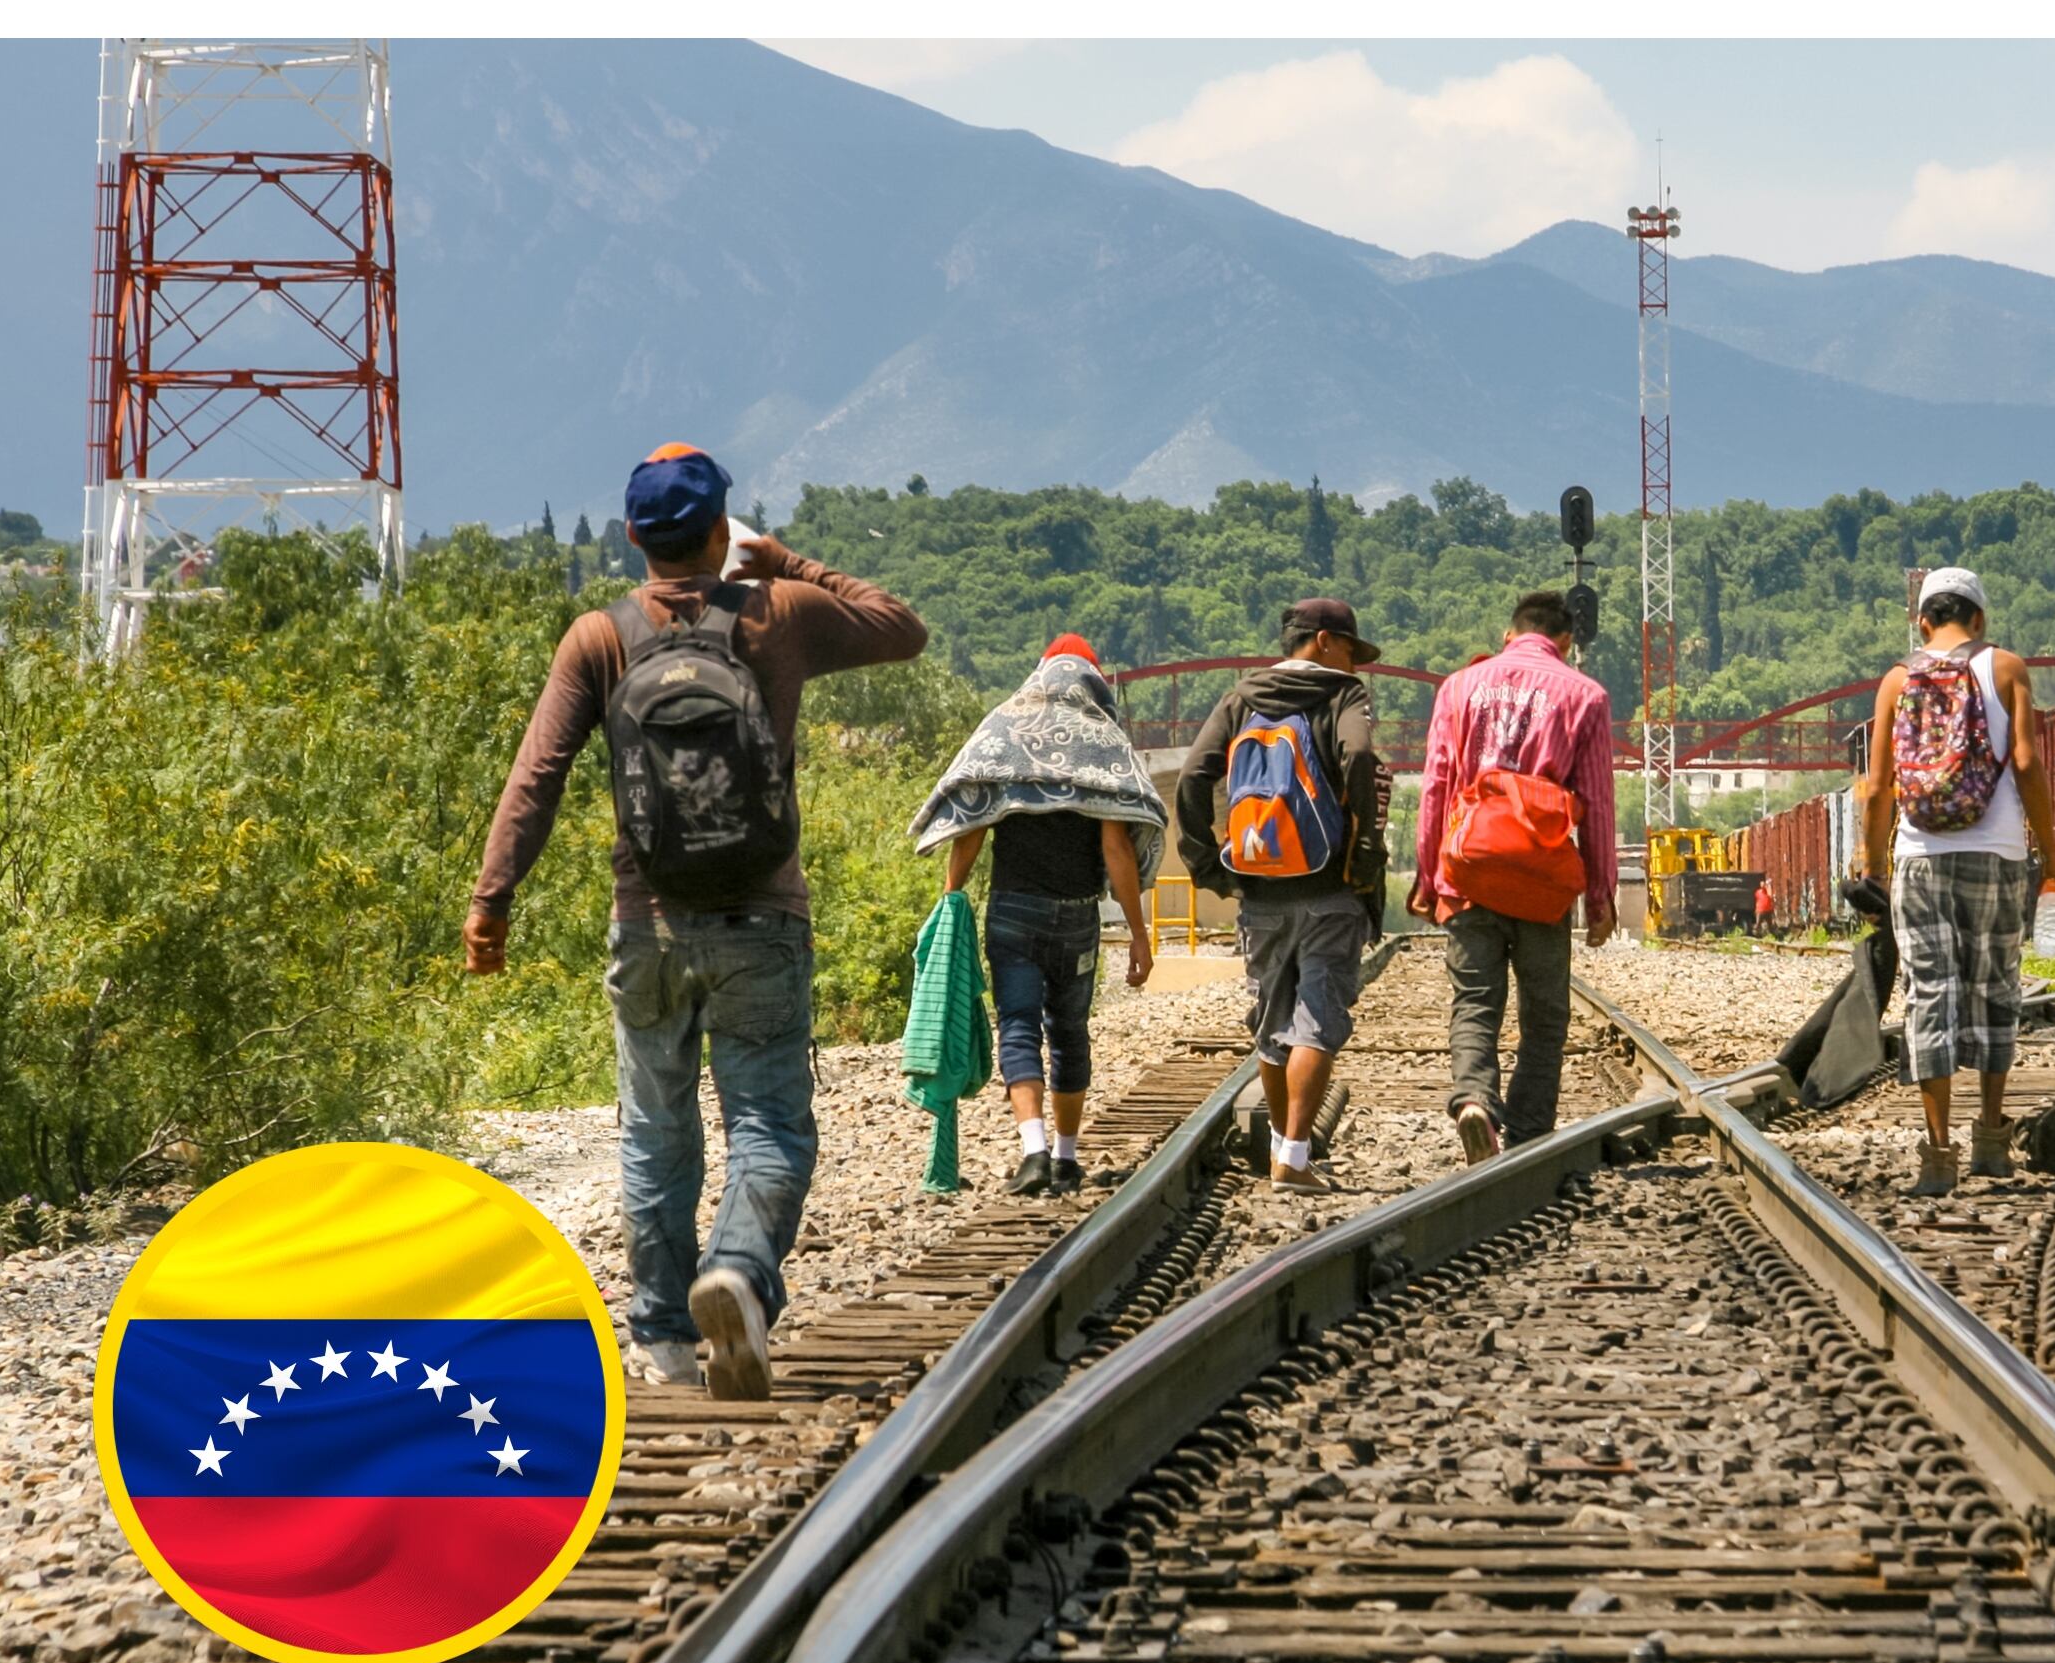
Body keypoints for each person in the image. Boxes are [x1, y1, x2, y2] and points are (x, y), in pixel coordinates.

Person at [466, 443, 925, 1397]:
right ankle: (741, 1273)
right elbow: (902, 627)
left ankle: (668, 1341)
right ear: (723, 531)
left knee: (656, 1132)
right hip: (762, 916)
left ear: (634, 537)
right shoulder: (778, 614)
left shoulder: (598, 637)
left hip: (649, 923)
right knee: (767, 1124)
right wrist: (789, 563)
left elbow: (536, 777)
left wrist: (491, 903)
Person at [914, 635, 1164, 1195]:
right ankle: (1068, 1158)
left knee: (1020, 1025)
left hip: (1012, 913)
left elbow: (974, 820)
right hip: (1076, 918)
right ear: (1091, 680)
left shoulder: (1006, 730)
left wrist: (951, 898)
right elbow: (1118, 850)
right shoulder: (1105, 740)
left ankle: (1033, 1151)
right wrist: (1140, 936)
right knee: (1070, 1032)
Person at [1856, 565, 2055, 1197]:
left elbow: (1877, 788)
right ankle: (1991, 1144)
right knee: (1996, 988)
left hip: (1919, 858)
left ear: (1922, 622)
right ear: (1979, 620)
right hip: (1998, 853)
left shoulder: (1897, 680)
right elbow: (2028, 764)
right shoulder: (2007, 669)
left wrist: (1873, 864)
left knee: (1932, 995)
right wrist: (2051, 855)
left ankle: (1938, 1154)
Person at [1173, 597, 1388, 1193]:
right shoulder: (1343, 695)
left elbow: (1194, 775)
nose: (1355, 664)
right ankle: (1292, 1156)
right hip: (1329, 886)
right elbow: (1361, 755)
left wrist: (1205, 863)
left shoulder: (1241, 697)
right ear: (1322, 640)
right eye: (1349, 649)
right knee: (1318, 1018)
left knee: (1272, 1025)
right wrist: (1366, 846)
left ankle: (1280, 1147)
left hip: (1259, 887)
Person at [1409, 590, 1619, 1161]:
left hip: (1470, 870)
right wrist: (1600, 895)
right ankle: (1528, 1138)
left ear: (1509, 634)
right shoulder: (1586, 695)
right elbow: (1597, 802)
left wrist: (1430, 876)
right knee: (1545, 1015)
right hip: (1542, 881)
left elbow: (1435, 786)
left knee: (1475, 1000)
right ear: (1567, 642)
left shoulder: (1458, 687)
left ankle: (1475, 1099)